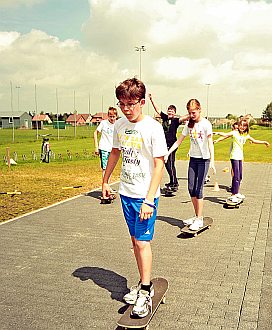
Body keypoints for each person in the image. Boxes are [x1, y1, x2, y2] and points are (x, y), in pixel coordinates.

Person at [102, 78, 168, 318]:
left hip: (144, 196)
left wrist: (150, 199)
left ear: (142, 102)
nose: (126, 109)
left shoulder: (153, 127)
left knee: (142, 243)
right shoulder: (119, 125)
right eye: (121, 104)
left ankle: (146, 291)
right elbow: (116, 152)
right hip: (126, 193)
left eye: (131, 104)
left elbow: (160, 164)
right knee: (134, 243)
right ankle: (142, 284)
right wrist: (106, 179)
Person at [165, 99, 216, 230]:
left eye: (193, 112)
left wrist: (212, 161)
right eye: (189, 112)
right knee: (191, 188)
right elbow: (178, 141)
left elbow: (210, 143)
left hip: (204, 160)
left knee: (198, 189)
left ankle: (199, 219)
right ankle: (196, 216)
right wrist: (167, 153)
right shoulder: (189, 125)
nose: (191, 115)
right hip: (193, 159)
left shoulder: (206, 124)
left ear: (199, 110)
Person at [214, 118, 270, 203]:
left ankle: (236, 192)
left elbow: (254, 141)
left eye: (244, 126)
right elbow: (225, 135)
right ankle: (233, 194)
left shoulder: (245, 135)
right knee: (236, 176)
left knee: (240, 176)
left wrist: (264, 142)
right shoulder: (234, 133)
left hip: (240, 157)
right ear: (238, 126)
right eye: (241, 125)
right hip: (234, 157)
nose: (242, 127)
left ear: (247, 127)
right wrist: (217, 135)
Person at [148, 93, 189, 191]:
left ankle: (175, 183)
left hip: (172, 145)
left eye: (172, 111)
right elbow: (157, 109)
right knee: (167, 164)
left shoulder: (176, 120)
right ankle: (172, 181)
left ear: (174, 113)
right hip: (164, 144)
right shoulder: (165, 117)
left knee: (170, 163)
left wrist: (192, 111)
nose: (170, 112)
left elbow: (185, 117)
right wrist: (151, 100)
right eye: (169, 111)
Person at [93, 107, 118, 185]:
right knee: (105, 169)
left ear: (116, 116)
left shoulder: (117, 124)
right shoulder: (104, 123)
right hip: (104, 148)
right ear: (108, 116)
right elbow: (95, 133)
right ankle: (105, 187)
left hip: (112, 150)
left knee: (110, 169)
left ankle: (108, 187)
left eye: (113, 117)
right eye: (110, 116)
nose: (112, 118)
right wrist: (96, 147)